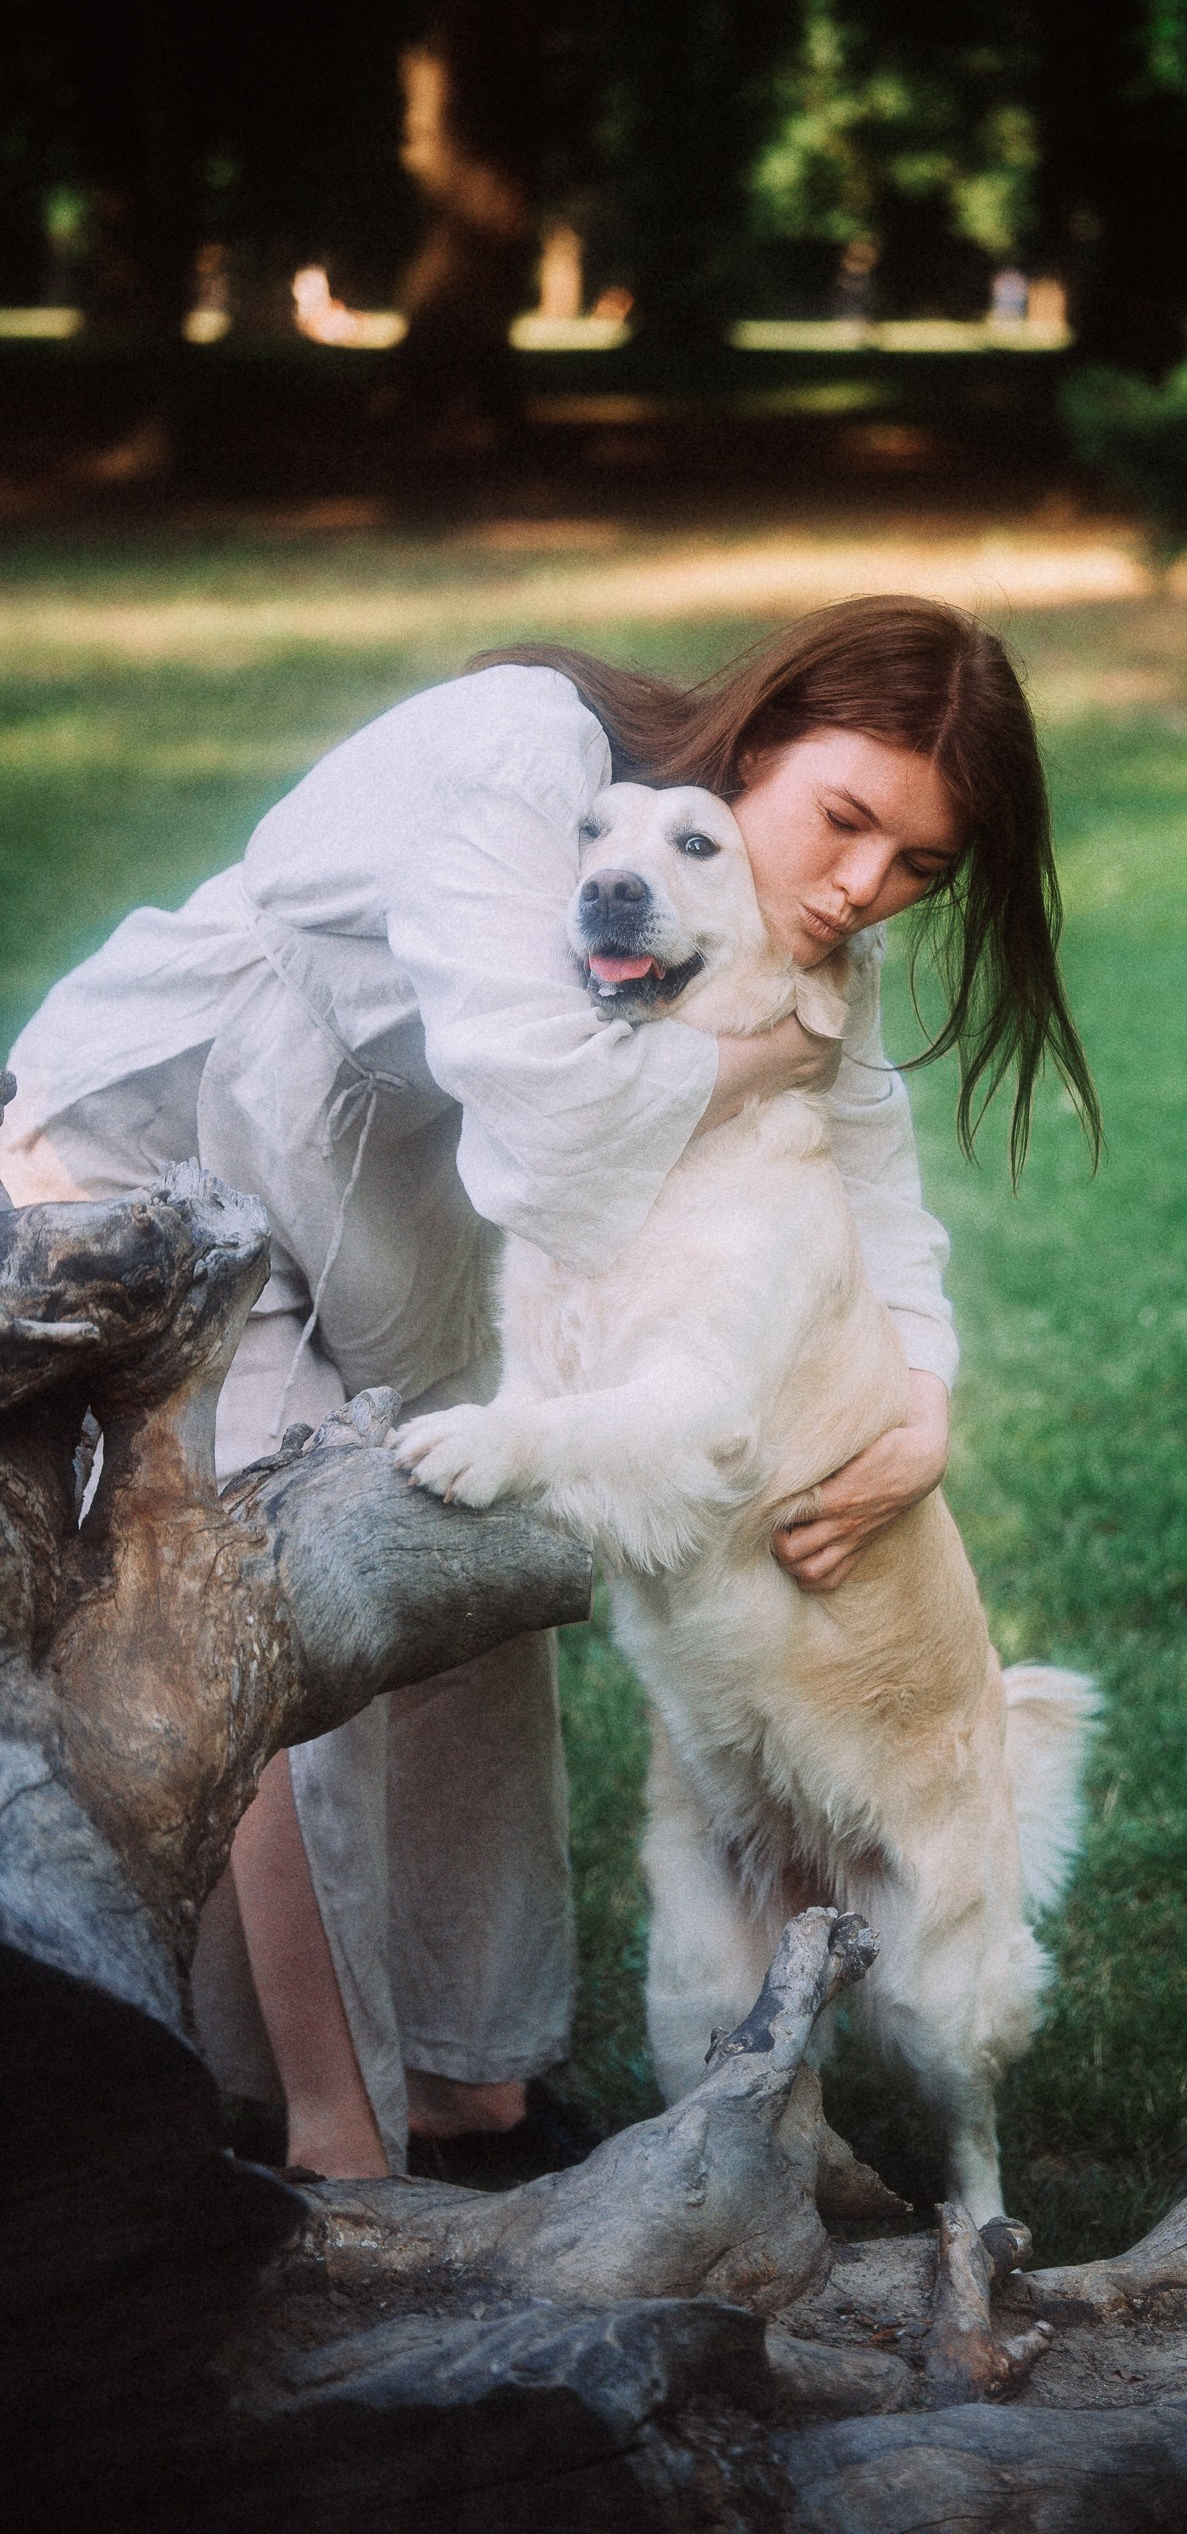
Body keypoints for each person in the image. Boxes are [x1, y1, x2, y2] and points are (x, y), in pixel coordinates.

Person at [0, 596, 1098, 2182]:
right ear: (759, 740)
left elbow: (875, 1179)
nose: (862, 888)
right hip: (167, 1150)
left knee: (469, 1591)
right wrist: (766, 1058)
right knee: (265, 1604)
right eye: (847, 820)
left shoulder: (778, 908)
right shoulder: (527, 757)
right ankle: (340, 2141)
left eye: (919, 865)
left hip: (404, 1206)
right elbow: (547, 1116)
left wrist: (923, 1396)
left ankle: (474, 2091)